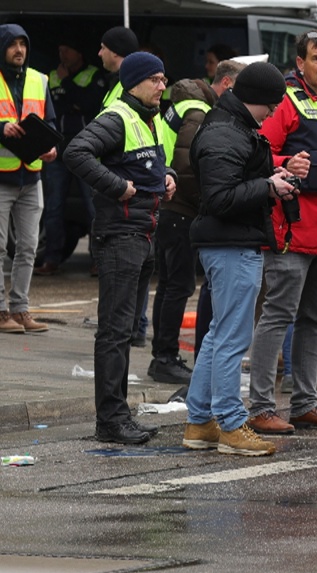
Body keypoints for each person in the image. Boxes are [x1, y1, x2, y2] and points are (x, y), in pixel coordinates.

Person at [64, 51, 176, 445]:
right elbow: (75, 152)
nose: (162, 86)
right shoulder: (118, 117)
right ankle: (110, 420)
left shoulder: (149, 118)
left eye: (163, 79)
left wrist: (167, 176)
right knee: (114, 331)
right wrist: (116, 186)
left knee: (125, 330)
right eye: (155, 80)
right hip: (121, 236)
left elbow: (148, 165)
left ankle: (119, 415)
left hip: (143, 234)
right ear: (134, 83)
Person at [183, 61, 293, 457]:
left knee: (219, 334)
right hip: (231, 245)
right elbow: (220, 198)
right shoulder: (226, 132)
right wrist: (267, 186)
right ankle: (230, 423)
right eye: (271, 104)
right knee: (231, 338)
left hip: (229, 242)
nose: (273, 112)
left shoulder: (229, 126)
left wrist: (271, 179)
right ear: (255, 98)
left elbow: (227, 186)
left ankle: (200, 422)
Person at [247, 28, 317, 436]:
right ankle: (260, 408)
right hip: (292, 229)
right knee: (278, 316)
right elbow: (255, 153)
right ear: (300, 64)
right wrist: (285, 163)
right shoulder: (286, 102)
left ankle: (306, 404)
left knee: (315, 319)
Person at [147, 58, 244, 385]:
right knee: (179, 286)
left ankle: (163, 355)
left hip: (170, 206)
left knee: (170, 285)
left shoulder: (186, 105)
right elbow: (188, 168)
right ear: (227, 84)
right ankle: (165, 358)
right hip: (180, 209)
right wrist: (210, 202)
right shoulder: (198, 111)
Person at [0, 23, 56, 334]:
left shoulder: (39, 79)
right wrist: (1, 128)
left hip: (31, 176)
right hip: (1, 177)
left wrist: (50, 147)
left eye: (23, 44)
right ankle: (0, 312)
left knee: (28, 248)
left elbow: (50, 122)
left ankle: (20, 310)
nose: (19, 50)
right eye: (12, 44)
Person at [36, 35, 106, 276]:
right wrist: (72, 101)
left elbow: (89, 104)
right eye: (60, 50)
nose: (62, 55)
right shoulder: (51, 75)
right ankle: (51, 259)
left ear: (79, 53)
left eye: (67, 49)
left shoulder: (94, 75)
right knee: (53, 206)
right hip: (58, 148)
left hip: (86, 148)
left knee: (93, 207)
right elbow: (53, 108)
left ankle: (98, 259)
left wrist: (67, 86)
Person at [98, 26, 137, 110]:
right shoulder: (118, 81)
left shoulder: (131, 86)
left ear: (115, 52)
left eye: (103, 48)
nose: (99, 53)